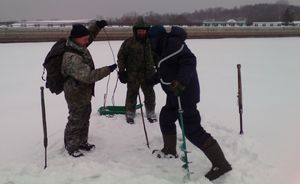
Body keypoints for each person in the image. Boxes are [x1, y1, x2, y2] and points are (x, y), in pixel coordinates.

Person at [148, 25, 232, 181]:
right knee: (166, 118)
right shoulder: (162, 48)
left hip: (184, 93)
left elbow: (189, 61)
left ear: (157, 38)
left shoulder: (174, 45)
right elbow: (164, 69)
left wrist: (181, 81)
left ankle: (221, 163)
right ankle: (169, 150)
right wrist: (150, 80)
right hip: (174, 94)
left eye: (150, 39)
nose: (149, 43)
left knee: (192, 129)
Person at [61, 20, 117, 157]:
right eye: (85, 39)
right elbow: (89, 76)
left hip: (83, 91)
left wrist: (97, 26)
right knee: (76, 118)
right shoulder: (72, 57)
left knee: (85, 116)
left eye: (87, 39)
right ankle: (71, 146)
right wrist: (108, 69)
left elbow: (89, 35)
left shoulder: (79, 45)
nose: (87, 41)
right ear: (76, 39)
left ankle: (81, 142)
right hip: (75, 93)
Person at [117, 18, 157, 124]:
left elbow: (157, 57)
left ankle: (150, 112)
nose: (141, 32)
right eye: (139, 30)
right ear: (135, 31)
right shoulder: (128, 42)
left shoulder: (151, 43)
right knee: (131, 93)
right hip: (132, 74)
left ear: (147, 31)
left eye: (144, 30)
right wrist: (121, 71)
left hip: (148, 74)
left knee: (149, 94)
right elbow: (121, 57)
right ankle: (130, 112)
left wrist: (158, 71)